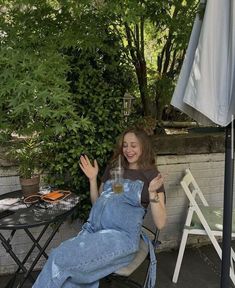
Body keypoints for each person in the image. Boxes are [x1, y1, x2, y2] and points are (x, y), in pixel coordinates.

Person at [33, 127, 166, 288]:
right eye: (125, 145)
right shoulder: (115, 168)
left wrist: (153, 192)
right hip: (95, 232)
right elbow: (100, 203)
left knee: (58, 257)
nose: (128, 150)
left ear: (143, 147)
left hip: (121, 239)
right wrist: (92, 179)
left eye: (133, 145)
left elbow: (160, 223)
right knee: (71, 276)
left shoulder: (151, 176)